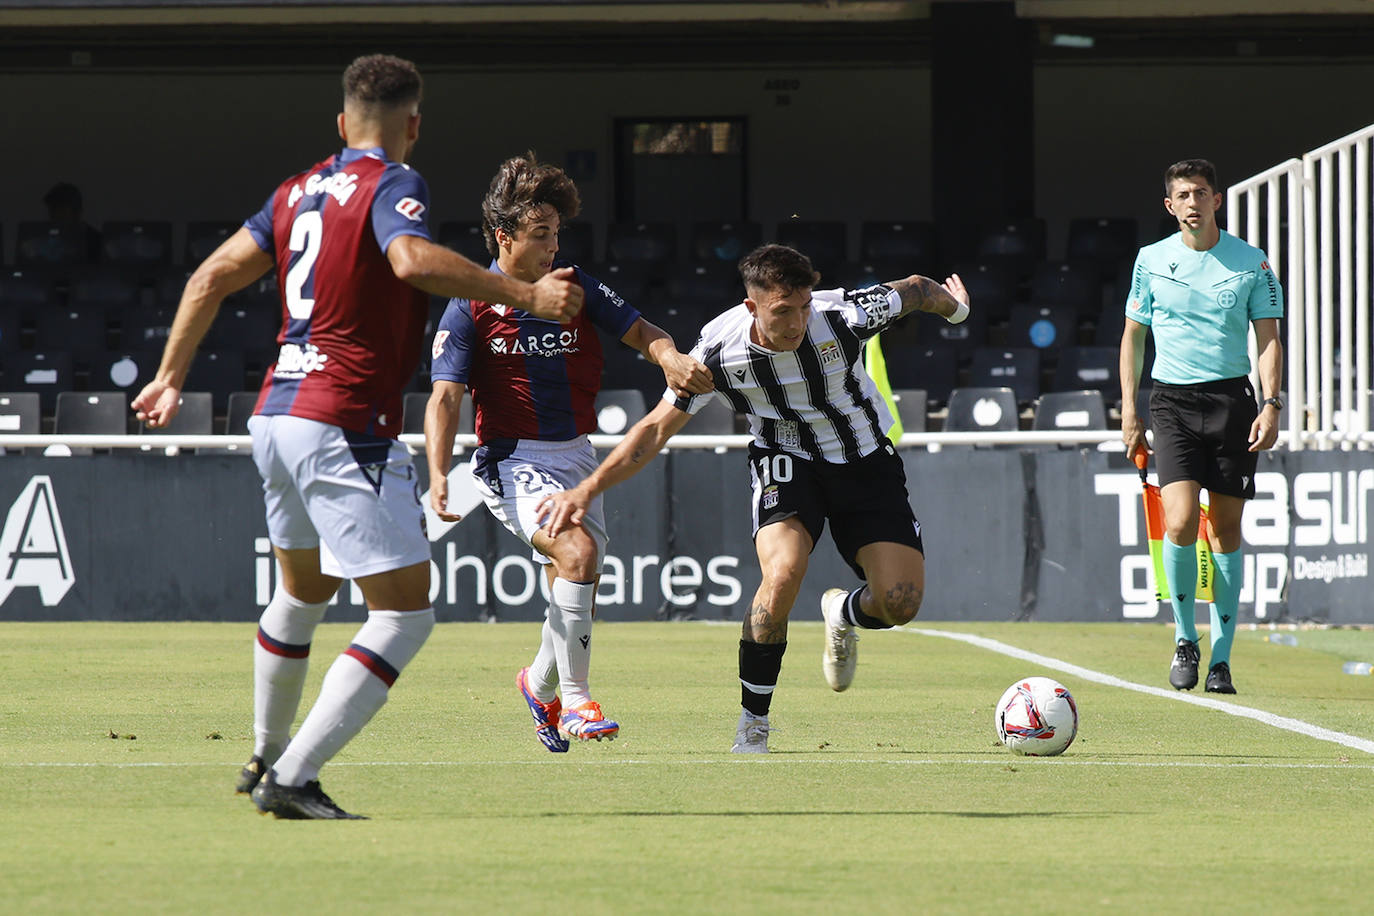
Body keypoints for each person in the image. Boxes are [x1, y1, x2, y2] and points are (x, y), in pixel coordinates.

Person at [131, 54, 583, 819]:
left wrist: (170, 375)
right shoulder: (393, 183)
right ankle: (294, 778)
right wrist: (523, 293)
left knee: (303, 591)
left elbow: (208, 278)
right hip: (344, 419)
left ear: (341, 124)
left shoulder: (293, 191)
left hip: (274, 415)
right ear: (413, 125)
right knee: (405, 613)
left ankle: (264, 754)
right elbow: (408, 260)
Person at [536, 243, 969, 753]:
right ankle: (753, 724)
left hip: (865, 460)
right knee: (782, 573)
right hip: (786, 462)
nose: (797, 322)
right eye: (783, 311)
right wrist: (587, 488)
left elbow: (916, 290)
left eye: (804, 306)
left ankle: (843, 614)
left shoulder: (844, 315)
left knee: (902, 605)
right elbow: (654, 430)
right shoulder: (717, 352)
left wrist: (957, 308)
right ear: (752, 308)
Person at [425, 153, 712, 752]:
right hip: (512, 462)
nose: (553, 247)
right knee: (577, 554)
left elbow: (643, 332)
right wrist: (438, 475)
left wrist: (671, 358)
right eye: (540, 236)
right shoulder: (468, 307)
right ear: (504, 238)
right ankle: (578, 702)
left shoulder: (578, 287)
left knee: (573, 581)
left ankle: (540, 682)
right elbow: (445, 399)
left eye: (557, 234)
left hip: (578, 455)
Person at [1119, 158, 1284, 695]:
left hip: (1233, 401)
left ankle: (1223, 660)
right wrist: (1129, 409)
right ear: (1170, 206)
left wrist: (1272, 403)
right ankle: (1186, 639)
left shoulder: (1252, 263)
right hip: (1170, 402)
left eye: (1202, 193)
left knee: (1226, 530)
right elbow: (1133, 338)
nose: (1193, 202)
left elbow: (1267, 339)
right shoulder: (1151, 260)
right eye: (1183, 195)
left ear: (1217, 200)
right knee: (1183, 521)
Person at [41, 181, 102, 264]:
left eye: (61, 210)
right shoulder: (46, 242)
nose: (54, 216)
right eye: (52, 210)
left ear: (76, 211)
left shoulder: (96, 242)